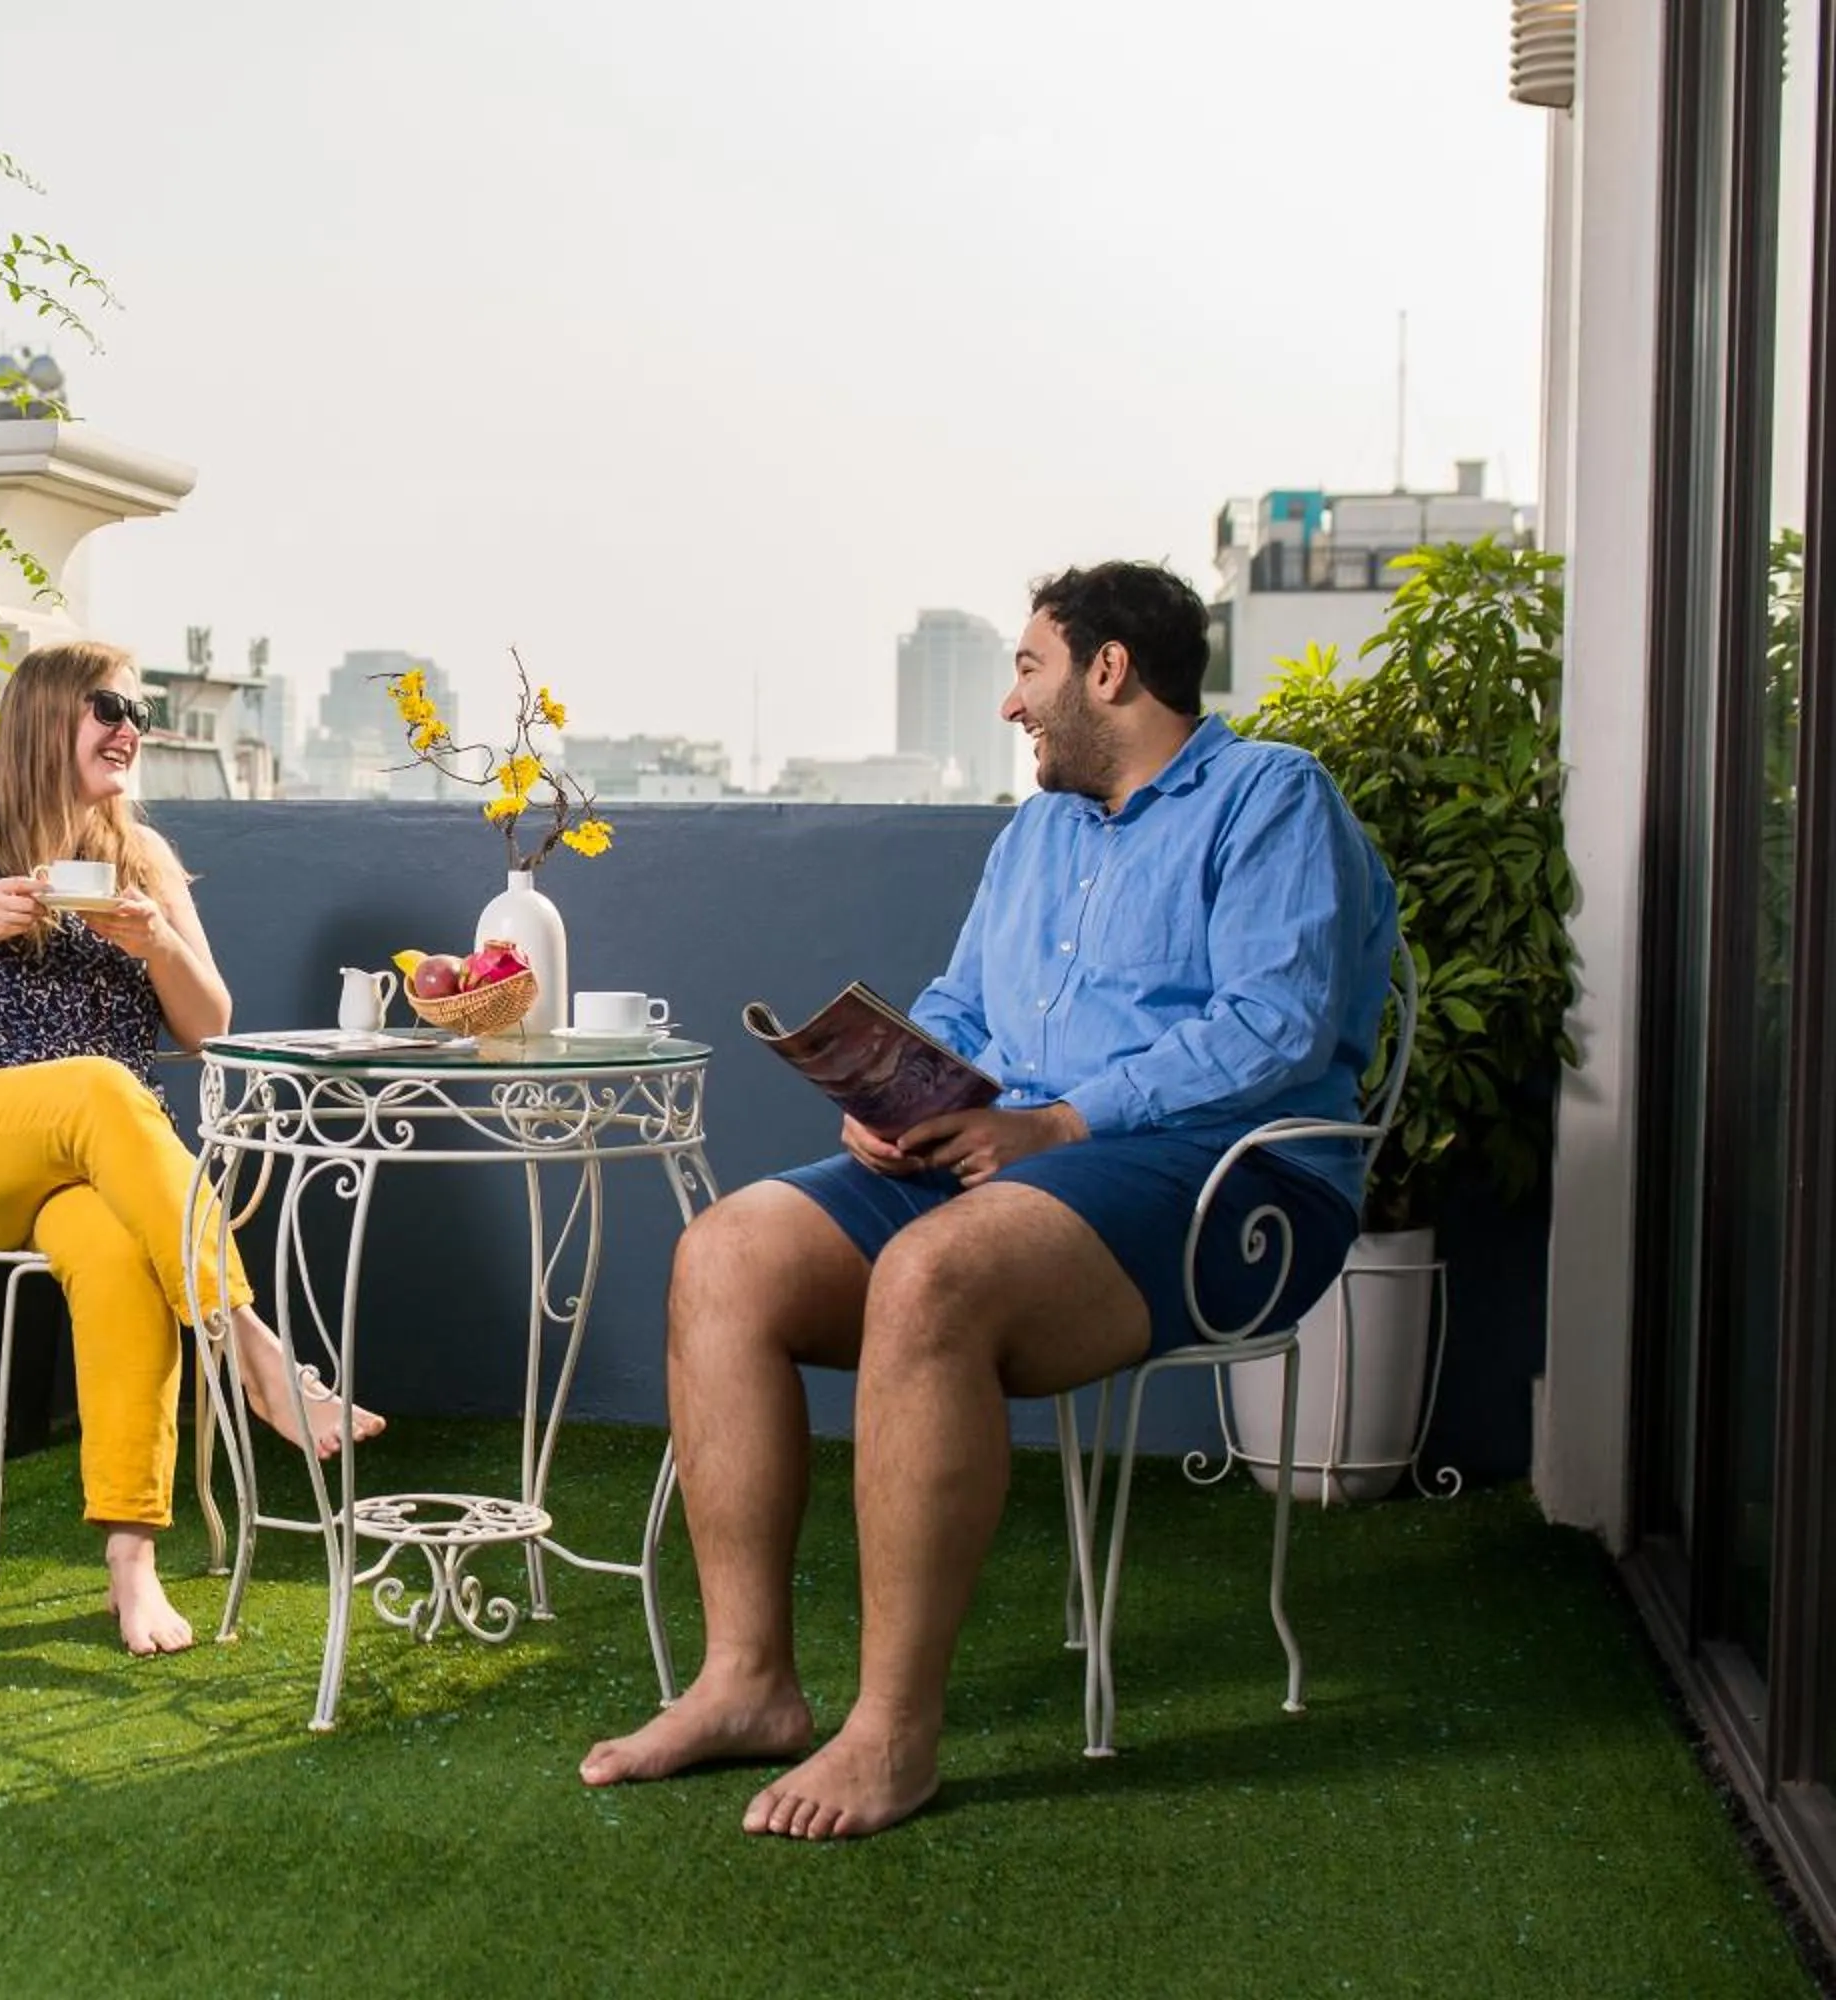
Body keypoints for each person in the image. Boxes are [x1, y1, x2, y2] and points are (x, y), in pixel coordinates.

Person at [580, 560, 1397, 1837]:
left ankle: (892, 1731)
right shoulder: (1036, 834)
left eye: (1028, 669)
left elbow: (1274, 1026)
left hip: (1229, 1175)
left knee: (934, 1275)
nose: (1013, 706)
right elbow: (964, 1004)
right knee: (726, 1250)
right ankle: (749, 1680)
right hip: (1013, 1158)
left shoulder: (1271, 797)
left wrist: (1062, 1120)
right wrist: (898, 1090)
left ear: (1108, 669)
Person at [0, 640, 385, 1657]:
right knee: (99, 1083)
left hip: (98, 1167)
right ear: (45, 716)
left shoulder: (144, 862)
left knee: (124, 1251)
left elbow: (211, 1028)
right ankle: (255, 1348)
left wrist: (156, 943)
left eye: (139, 710)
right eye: (109, 707)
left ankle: (132, 1564)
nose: (131, 726)